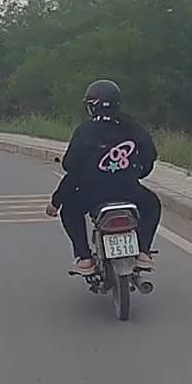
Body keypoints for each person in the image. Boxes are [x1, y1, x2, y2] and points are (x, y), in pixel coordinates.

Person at [46, 79, 161, 274]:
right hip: (129, 190)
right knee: (152, 204)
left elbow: (72, 170)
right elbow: (150, 155)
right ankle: (143, 252)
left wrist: (56, 202)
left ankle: (85, 258)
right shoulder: (132, 126)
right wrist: (136, 173)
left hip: (92, 194)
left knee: (70, 210)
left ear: (92, 106)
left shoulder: (84, 131)